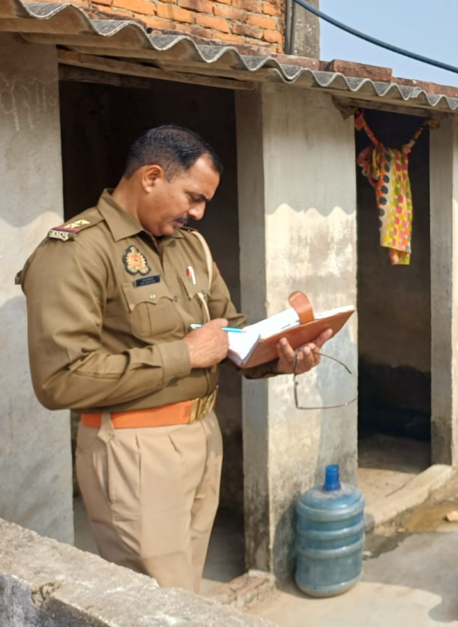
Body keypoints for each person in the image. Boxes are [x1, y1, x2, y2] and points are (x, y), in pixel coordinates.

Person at [18, 125, 332, 592]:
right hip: (134, 447)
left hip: (201, 435)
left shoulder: (190, 246)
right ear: (151, 177)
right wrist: (184, 354)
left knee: (185, 593)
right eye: (193, 197)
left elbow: (228, 332)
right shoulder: (77, 251)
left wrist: (279, 357)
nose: (199, 212)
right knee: (157, 603)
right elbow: (59, 380)